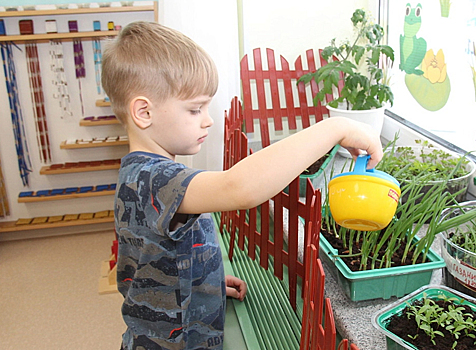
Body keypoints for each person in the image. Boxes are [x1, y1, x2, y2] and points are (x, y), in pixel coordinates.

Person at [101, 21, 383, 350]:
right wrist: (334, 128)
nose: (207, 119)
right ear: (144, 112)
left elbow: (155, 257)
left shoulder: (147, 173)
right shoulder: (153, 178)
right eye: (195, 109)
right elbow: (241, 188)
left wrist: (205, 281)